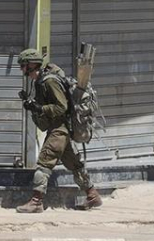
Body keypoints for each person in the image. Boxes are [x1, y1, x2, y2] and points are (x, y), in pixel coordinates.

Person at [15, 48, 101, 213]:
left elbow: (61, 107)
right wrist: (32, 105)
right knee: (75, 165)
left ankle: (36, 202)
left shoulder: (49, 81)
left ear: (32, 64)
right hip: (60, 130)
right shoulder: (40, 81)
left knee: (44, 163)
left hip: (59, 130)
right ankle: (92, 194)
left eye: (23, 65)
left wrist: (40, 107)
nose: (22, 69)